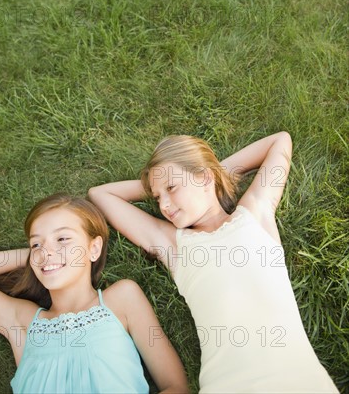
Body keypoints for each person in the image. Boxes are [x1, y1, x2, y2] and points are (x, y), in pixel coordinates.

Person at [88, 132, 339, 394]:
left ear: (205, 176)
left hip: (302, 382)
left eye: (171, 188)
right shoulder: (173, 244)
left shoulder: (256, 213)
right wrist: (159, 182)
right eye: (157, 197)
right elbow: (100, 194)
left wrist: (215, 173)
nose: (163, 204)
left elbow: (281, 141)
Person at [0, 193, 189, 394]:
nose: (47, 251)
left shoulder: (121, 299)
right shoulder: (22, 322)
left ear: (94, 248)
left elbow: (175, 386)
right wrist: (35, 257)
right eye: (36, 243)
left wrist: (46, 253)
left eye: (62, 238)